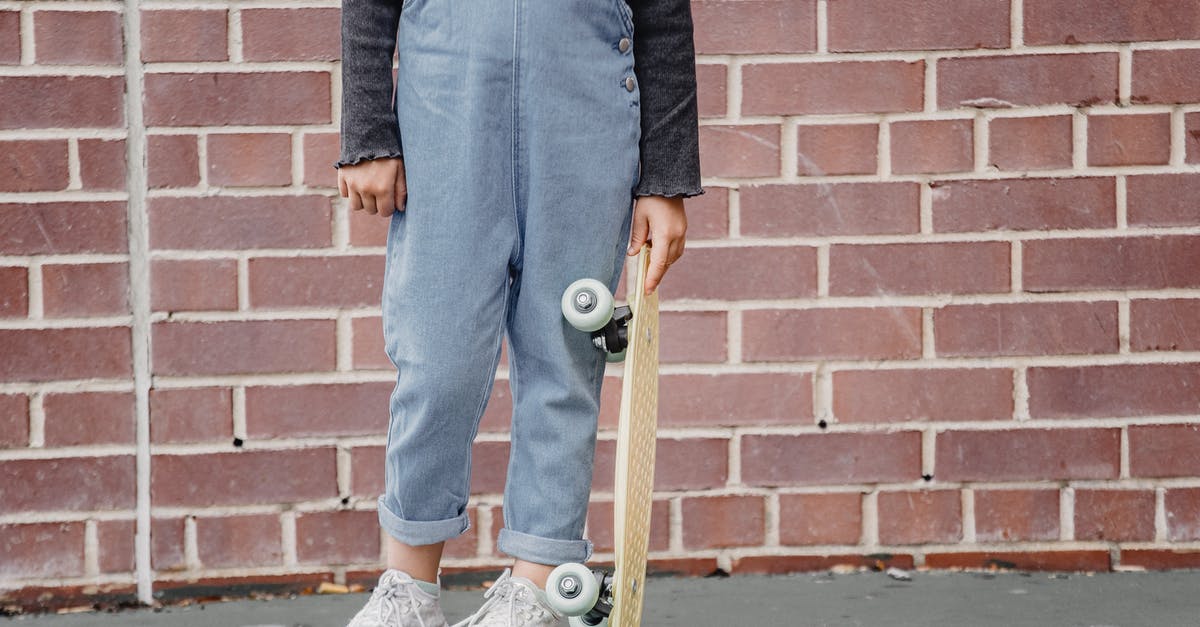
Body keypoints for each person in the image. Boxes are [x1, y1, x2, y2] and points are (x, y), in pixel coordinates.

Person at [335, 0, 702, 624]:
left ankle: (536, 590)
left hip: (586, 122)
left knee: (564, 360)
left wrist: (665, 178)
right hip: (446, 115)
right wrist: (368, 131)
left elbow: (664, 16)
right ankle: (408, 588)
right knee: (435, 362)